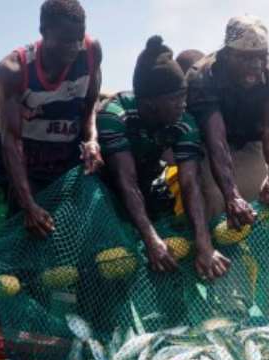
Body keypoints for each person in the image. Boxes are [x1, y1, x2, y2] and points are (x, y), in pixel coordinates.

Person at [97, 36, 229, 280]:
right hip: (104, 191)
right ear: (150, 103)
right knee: (107, 263)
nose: (183, 105)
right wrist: (151, 239)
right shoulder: (114, 114)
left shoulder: (183, 122)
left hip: (147, 186)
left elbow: (190, 184)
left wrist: (204, 244)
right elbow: (126, 182)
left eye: (183, 96)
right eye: (175, 99)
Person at [0, 0, 103, 238]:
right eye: (66, 40)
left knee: (68, 226)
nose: (74, 47)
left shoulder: (91, 52)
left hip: (62, 151)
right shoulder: (14, 69)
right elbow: (11, 141)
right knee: (26, 225)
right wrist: (28, 205)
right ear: (43, 31)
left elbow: (90, 104)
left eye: (78, 38)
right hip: (24, 155)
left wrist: (92, 139)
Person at [187, 15, 269, 228]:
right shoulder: (203, 76)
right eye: (245, 58)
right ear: (227, 54)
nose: (256, 65)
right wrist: (231, 196)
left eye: (260, 57)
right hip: (209, 147)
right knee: (216, 198)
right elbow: (216, 142)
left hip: (252, 143)